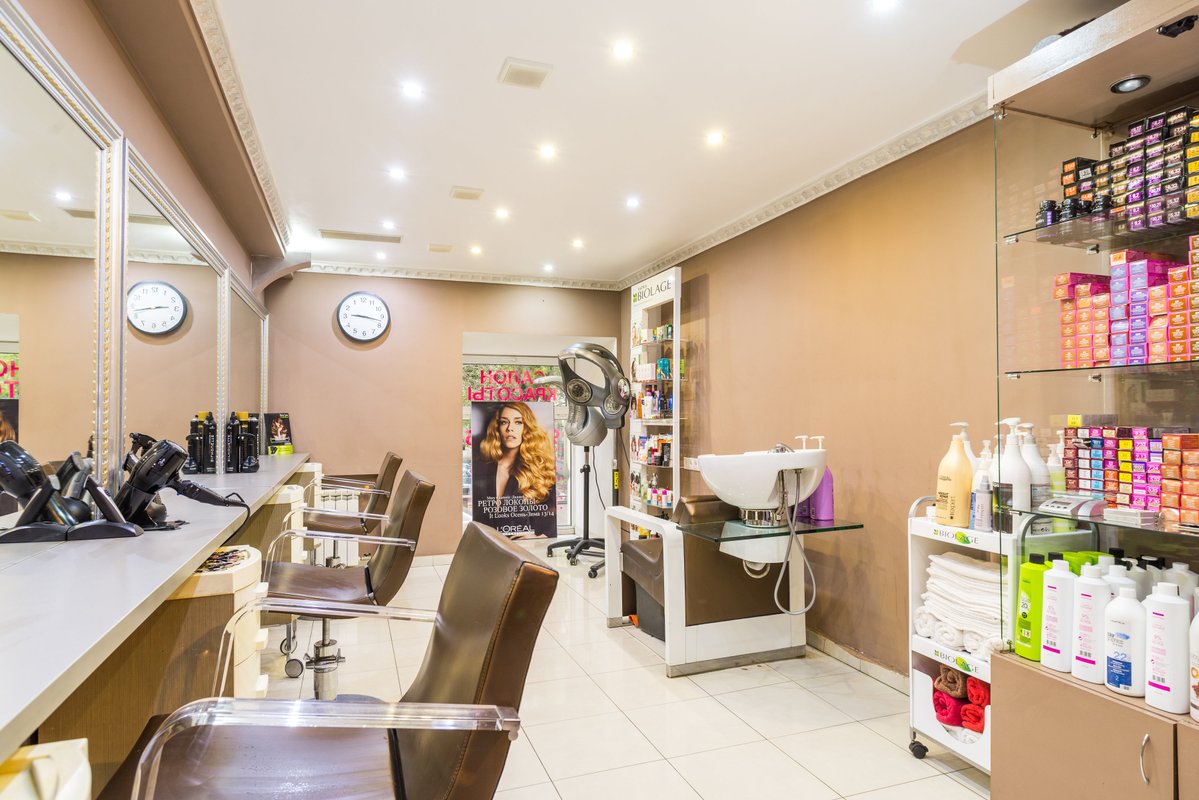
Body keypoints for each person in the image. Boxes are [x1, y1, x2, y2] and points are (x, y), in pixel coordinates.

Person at [472, 401, 557, 538]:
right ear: (497, 428)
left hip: (523, 546)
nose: (510, 428)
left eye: (518, 422)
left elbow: (549, 526)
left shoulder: (540, 471)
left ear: (527, 428)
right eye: (504, 422)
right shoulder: (482, 468)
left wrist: (535, 537)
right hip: (487, 544)